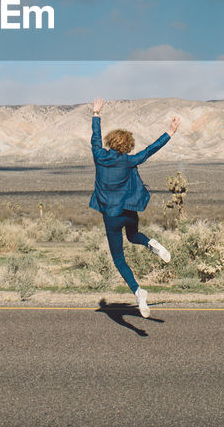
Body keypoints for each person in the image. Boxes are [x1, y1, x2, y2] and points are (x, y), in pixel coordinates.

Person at [88, 97, 181, 318]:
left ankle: (138, 292)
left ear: (110, 143)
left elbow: (95, 138)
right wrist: (170, 131)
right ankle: (150, 243)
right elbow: (150, 150)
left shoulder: (100, 156)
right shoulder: (130, 161)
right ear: (128, 145)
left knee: (119, 258)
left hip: (111, 217)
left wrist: (96, 113)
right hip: (128, 213)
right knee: (134, 235)